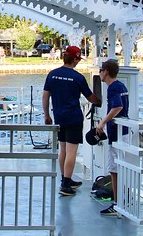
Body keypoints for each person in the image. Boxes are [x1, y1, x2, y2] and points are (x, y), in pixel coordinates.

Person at [42, 45, 101, 196]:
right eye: (78, 60)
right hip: (74, 117)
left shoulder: (52, 75)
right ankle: (66, 185)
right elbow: (90, 97)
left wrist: (46, 115)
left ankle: (64, 178)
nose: (78, 62)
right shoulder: (78, 78)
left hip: (59, 117)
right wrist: (100, 101)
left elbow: (45, 96)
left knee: (63, 150)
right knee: (71, 151)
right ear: (74, 59)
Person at [94, 59, 128, 217]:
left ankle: (117, 203)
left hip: (116, 133)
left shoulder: (113, 88)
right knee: (119, 167)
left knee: (114, 169)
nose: (100, 73)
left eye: (101, 70)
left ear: (106, 71)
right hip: (124, 132)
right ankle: (121, 200)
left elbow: (118, 106)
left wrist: (102, 122)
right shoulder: (121, 85)